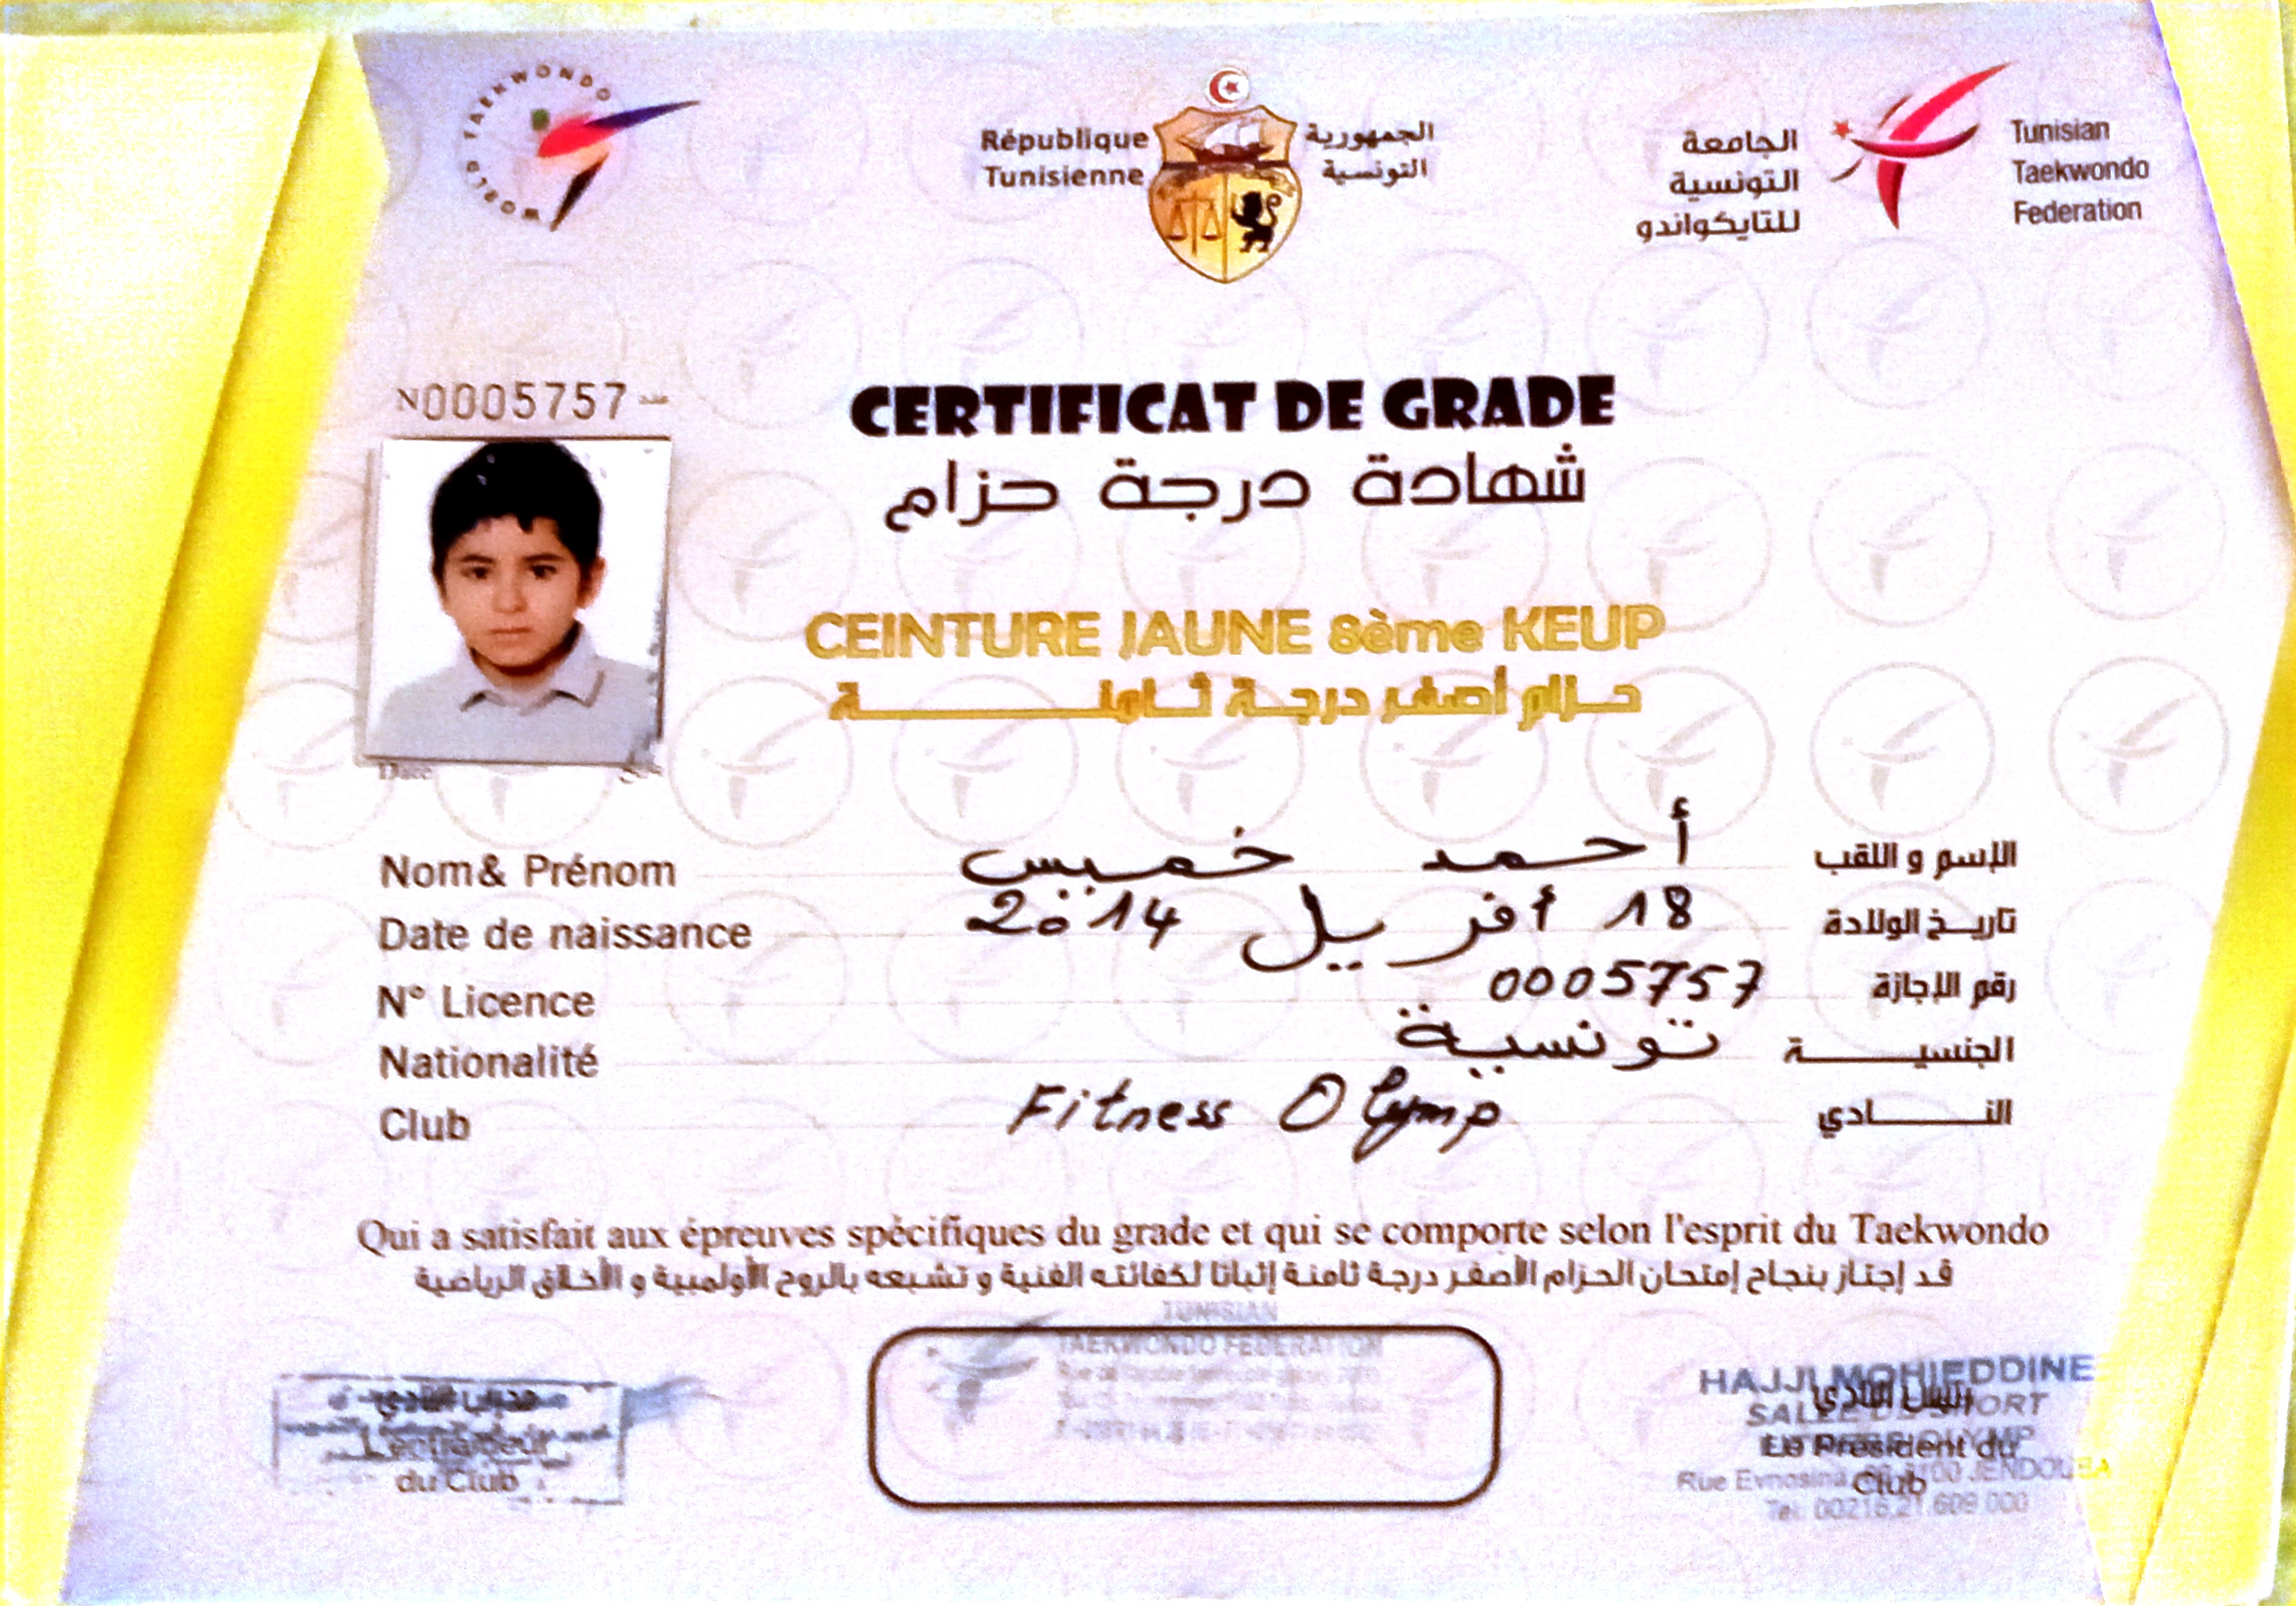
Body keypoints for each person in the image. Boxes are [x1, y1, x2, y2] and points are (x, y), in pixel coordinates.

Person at [369, 440, 659, 765]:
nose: (509, 603)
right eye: (479, 573)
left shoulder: (647, 706)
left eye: (540, 572)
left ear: (589, 582)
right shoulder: (408, 716)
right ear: (441, 587)